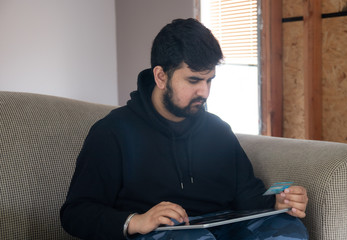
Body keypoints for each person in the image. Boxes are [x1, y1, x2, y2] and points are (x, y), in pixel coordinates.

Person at [60, 18, 309, 240]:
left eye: (209, 79)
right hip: (160, 233)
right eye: (193, 80)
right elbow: (76, 213)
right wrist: (137, 221)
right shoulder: (112, 132)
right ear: (160, 77)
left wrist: (278, 201)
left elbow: (247, 197)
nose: (204, 92)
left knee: (285, 227)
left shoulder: (218, 130)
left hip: (222, 226)